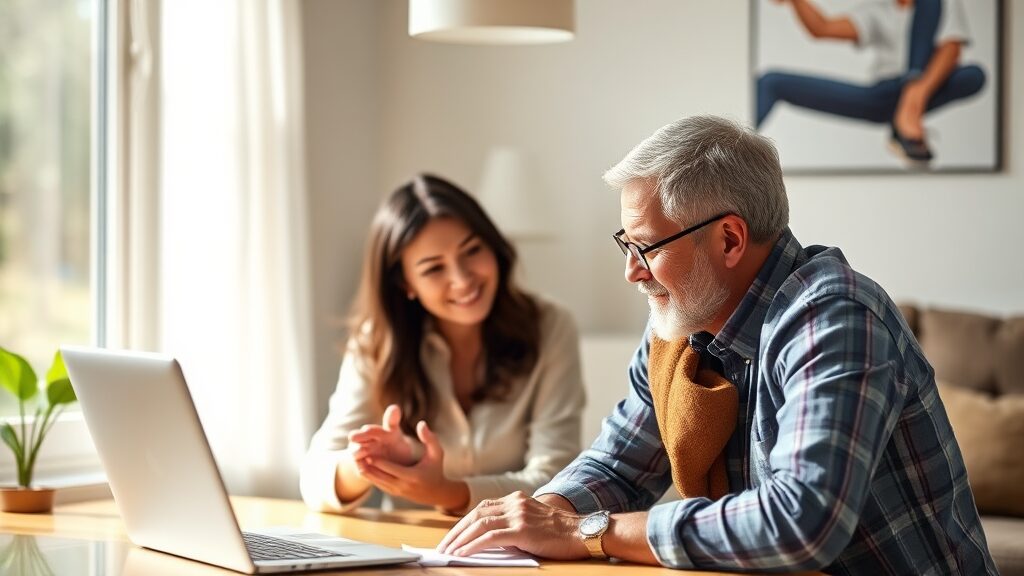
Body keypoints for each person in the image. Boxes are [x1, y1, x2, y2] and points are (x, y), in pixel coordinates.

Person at [437, 116, 997, 573]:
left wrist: (589, 531)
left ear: (729, 238)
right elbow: (619, 466)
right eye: (624, 244)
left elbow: (802, 524)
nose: (631, 272)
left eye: (647, 246)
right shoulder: (681, 320)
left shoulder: (834, 317)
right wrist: (540, 515)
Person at [300, 174, 585, 515]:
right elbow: (315, 479)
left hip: (523, 554)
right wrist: (369, 460)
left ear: (493, 246)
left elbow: (559, 482)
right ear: (406, 282)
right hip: (412, 555)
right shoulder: (376, 341)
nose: (463, 279)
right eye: (434, 268)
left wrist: (447, 492)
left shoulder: (551, 326)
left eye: (472, 250)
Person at [757, 0, 986, 164]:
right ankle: (723, 149)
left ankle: (909, 106)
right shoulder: (879, 11)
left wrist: (916, 95)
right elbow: (822, 28)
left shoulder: (942, 5)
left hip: (927, 85)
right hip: (881, 96)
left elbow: (951, 49)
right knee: (770, 82)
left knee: (973, 75)